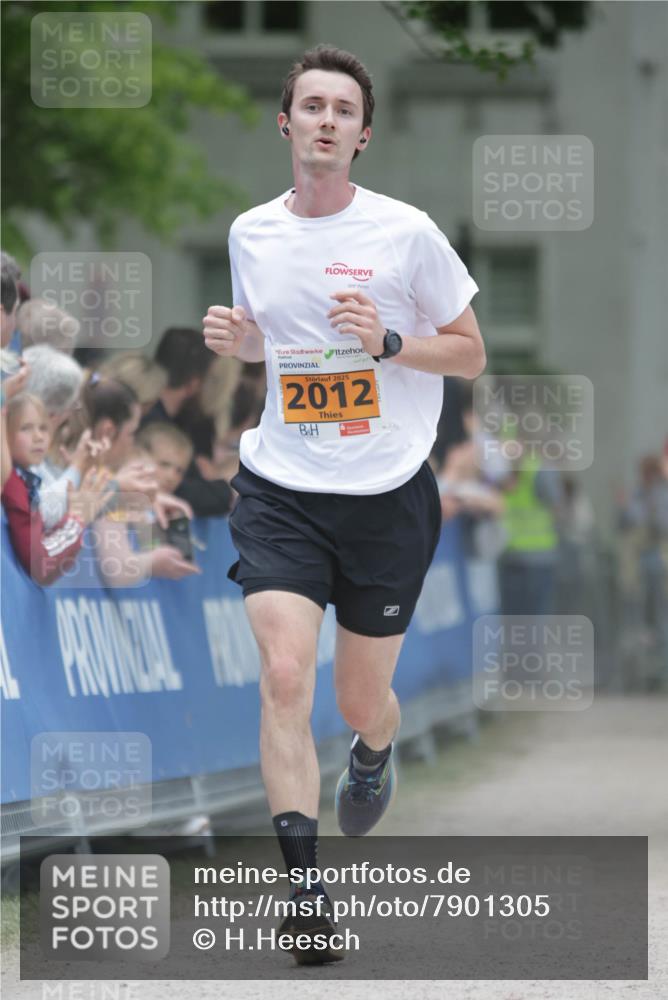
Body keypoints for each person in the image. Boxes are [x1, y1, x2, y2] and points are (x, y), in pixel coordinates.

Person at [202, 45, 485, 964]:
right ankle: (306, 892)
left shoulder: (405, 234)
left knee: (362, 700)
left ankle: (374, 749)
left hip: (386, 495)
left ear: (363, 135)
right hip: (282, 485)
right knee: (286, 677)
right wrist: (242, 342)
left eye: (343, 110)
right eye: (311, 105)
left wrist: (394, 340)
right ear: (285, 122)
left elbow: (470, 352)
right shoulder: (252, 233)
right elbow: (273, 347)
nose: (326, 120)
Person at [1, 393, 113, 585]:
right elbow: (40, 563)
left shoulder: (26, 479)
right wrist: (76, 519)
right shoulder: (13, 484)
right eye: (26, 428)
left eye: (44, 428)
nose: (38, 437)